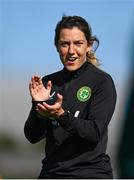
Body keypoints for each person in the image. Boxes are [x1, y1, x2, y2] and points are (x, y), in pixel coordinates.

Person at [24, 15, 117, 179]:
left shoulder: (101, 82)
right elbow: (32, 136)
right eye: (65, 44)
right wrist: (38, 106)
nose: (71, 51)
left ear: (89, 46)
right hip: (51, 174)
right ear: (57, 47)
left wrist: (61, 115)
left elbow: (94, 133)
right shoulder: (48, 83)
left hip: (90, 174)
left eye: (78, 43)